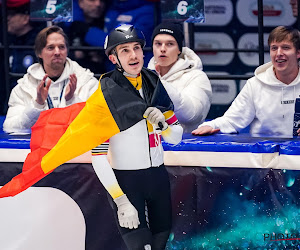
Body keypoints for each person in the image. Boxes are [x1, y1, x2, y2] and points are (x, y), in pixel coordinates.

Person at [92, 24, 183, 249]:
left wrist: (163, 126)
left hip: (158, 178)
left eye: (136, 48)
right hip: (127, 183)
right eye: (124, 50)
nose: (133, 55)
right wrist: (120, 200)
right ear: (113, 58)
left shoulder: (154, 83)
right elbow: (97, 156)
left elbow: (176, 137)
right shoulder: (103, 94)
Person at [192, 26, 300, 138]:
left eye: (285, 48)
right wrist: (211, 125)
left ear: (298, 53)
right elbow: (232, 120)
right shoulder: (255, 85)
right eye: (274, 48)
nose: (278, 53)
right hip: (264, 153)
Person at [3, 25, 99, 134]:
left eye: (61, 47)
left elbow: (98, 122)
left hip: (77, 149)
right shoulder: (24, 87)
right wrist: (37, 105)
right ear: (39, 53)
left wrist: (72, 101)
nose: (57, 52)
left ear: (67, 51)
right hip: (39, 149)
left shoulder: (87, 82)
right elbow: (10, 127)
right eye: (50, 47)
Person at [148, 22, 212, 133]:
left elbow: (192, 116)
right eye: (158, 44)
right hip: (149, 146)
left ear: (179, 50)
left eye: (170, 44)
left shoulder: (196, 77)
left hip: (185, 148)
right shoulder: (143, 76)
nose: (162, 49)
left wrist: (161, 84)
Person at [6, 0, 46, 87]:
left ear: (25, 18)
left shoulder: (41, 45)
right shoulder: (8, 42)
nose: (8, 18)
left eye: (12, 14)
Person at [65, 0, 108, 74]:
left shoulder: (108, 21)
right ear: (80, 3)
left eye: (102, 0)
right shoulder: (67, 25)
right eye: (92, 0)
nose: (98, 4)